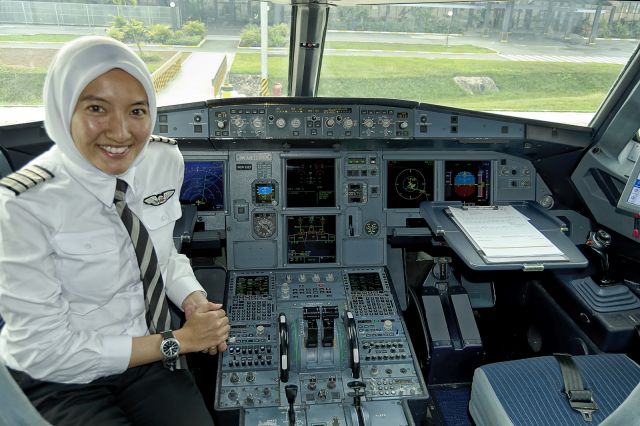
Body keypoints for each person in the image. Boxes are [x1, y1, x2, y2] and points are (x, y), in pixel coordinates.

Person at [0, 36, 229, 425]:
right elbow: (47, 350)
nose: (121, 132)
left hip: (149, 354)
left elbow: (164, 254)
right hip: (60, 375)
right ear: (61, 110)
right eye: (96, 108)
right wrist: (183, 341)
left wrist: (192, 299)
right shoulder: (20, 205)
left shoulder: (161, 160)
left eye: (137, 110)